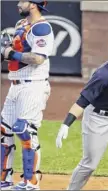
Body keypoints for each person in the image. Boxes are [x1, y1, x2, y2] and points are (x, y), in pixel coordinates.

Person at [55, 31, 108, 190]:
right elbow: (82, 102)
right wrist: (66, 125)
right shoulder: (103, 75)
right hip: (97, 120)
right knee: (89, 164)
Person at [0, 0, 54, 190]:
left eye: (22, 1)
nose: (18, 4)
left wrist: (10, 53)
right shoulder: (20, 25)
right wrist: (4, 53)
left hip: (34, 84)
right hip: (15, 84)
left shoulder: (42, 28)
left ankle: (31, 181)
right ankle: (4, 179)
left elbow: (38, 58)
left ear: (33, 4)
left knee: (25, 130)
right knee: (4, 129)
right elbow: (13, 52)